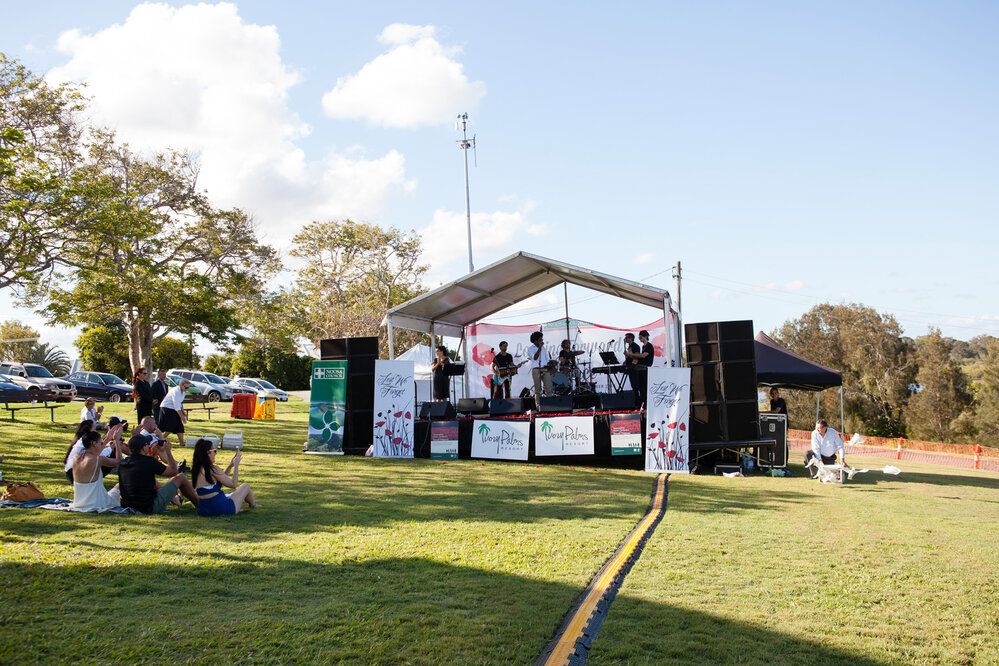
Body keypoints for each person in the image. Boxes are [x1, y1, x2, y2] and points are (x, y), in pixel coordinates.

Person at [118, 433, 199, 513]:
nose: (149, 445)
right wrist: (168, 451)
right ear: (143, 448)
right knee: (181, 477)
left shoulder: (123, 462)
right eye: (147, 444)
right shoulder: (149, 462)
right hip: (148, 507)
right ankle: (200, 504)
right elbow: (174, 471)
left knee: (150, 480)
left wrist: (153, 454)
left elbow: (144, 471)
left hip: (128, 505)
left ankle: (177, 501)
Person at [191, 439, 260, 516]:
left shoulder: (196, 470)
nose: (216, 454)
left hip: (204, 511)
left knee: (229, 496)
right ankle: (253, 505)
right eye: (215, 451)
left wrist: (230, 466)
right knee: (246, 486)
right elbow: (233, 484)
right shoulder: (213, 469)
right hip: (221, 509)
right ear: (208, 453)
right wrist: (236, 465)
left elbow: (221, 480)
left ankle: (251, 505)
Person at [70, 431, 123, 512]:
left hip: (79, 503)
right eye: (101, 443)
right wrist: (117, 443)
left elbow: (95, 453)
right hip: (98, 503)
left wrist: (107, 439)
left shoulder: (76, 457)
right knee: (120, 484)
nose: (102, 445)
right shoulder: (99, 459)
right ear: (94, 443)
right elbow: (119, 461)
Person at [64, 418, 125, 483]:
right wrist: (115, 443)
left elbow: (97, 451)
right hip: (73, 473)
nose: (96, 431)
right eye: (94, 429)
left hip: (74, 472)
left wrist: (108, 439)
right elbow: (99, 453)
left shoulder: (83, 440)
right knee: (109, 457)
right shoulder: (83, 442)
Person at [157, 377, 190, 448]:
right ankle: (160, 439)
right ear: (181, 385)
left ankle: (181, 443)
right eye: (186, 387)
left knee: (180, 426)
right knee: (171, 426)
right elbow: (176, 405)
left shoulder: (183, 392)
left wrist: (183, 412)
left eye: (188, 388)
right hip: (167, 408)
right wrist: (182, 418)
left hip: (174, 409)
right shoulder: (176, 391)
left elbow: (180, 403)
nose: (186, 389)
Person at [526, 331, 552, 398]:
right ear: (535, 341)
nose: (542, 341)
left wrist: (549, 364)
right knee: (538, 389)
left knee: (548, 388)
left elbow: (546, 359)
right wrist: (539, 348)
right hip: (536, 370)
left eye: (542, 339)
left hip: (545, 369)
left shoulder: (543, 348)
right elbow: (535, 358)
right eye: (540, 340)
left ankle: (550, 404)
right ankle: (538, 406)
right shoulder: (531, 348)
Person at [621, 333, 642, 404]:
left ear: (631, 338)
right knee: (633, 384)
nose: (625, 340)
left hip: (634, 367)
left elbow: (636, 358)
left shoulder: (635, 346)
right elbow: (629, 357)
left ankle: (638, 401)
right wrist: (625, 361)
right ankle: (636, 400)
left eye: (627, 338)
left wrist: (629, 356)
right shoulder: (629, 347)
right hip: (630, 367)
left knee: (636, 384)